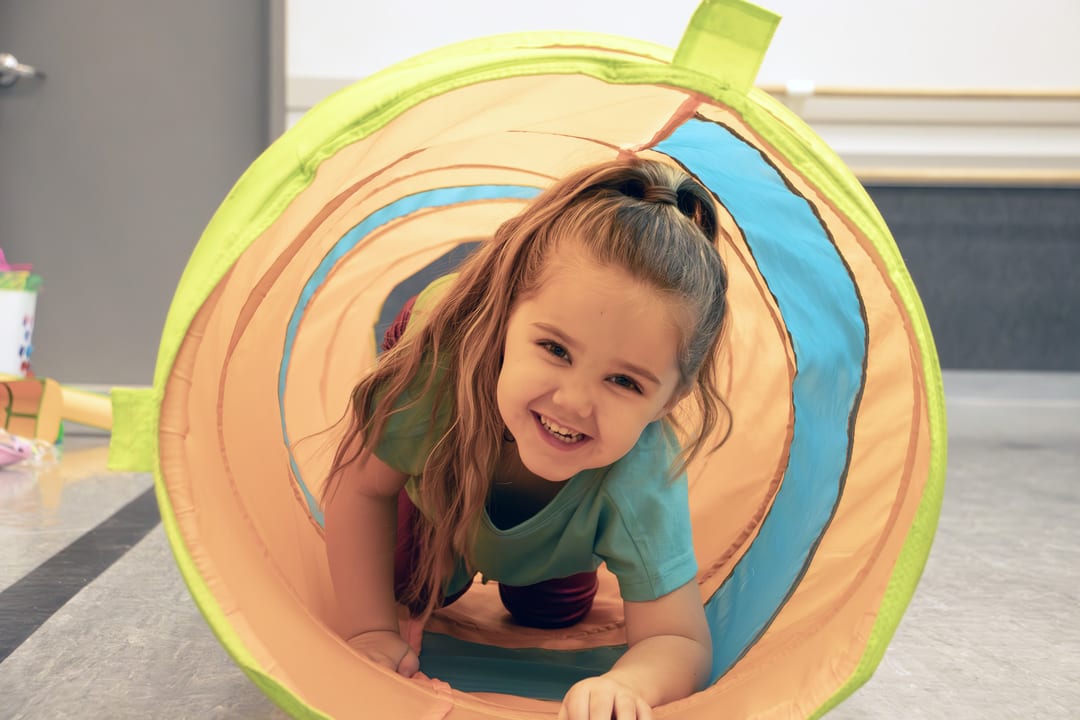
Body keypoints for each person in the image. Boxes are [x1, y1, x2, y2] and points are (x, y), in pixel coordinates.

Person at [322, 156, 729, 720]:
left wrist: (627, 684)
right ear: (507, 315)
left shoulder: (641, 476)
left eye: (624, 381)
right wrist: (369, 631)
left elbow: (679, 638)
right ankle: (447, 546)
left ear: (671, 401)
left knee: (553, 614)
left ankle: (529, 555)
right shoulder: (438, 374)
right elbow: (360, 486)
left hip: (554, 521)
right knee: (411, 584)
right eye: (556, 349)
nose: (574, 401)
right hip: (447, 437)